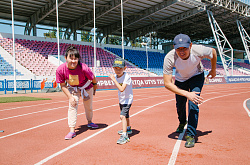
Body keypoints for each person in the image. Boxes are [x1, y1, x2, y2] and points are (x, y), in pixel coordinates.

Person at [163, 34, 217, 148]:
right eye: (178, 49)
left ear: (190, 46)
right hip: (180, 79)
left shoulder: (198, 50)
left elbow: (213, 52)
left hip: (196, 76)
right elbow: (167, 83)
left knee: (193, 104)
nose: (181, 52)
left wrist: (213, 69)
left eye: (184, 48)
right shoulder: (169, 57)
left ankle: (191, 135)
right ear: (174, 47)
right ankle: (182, 122)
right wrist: (186, 93)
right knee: (180, 104)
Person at [56, 46, 98, 140]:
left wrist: (95, 86)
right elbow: (63, 85)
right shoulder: (60, 70)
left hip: (86, 87)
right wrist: (70, 97)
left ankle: (90, 121)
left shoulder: (84, 68)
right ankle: (72, 130)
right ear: (66, 58)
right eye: (71, 58)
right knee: (72, 105)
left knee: (88, 106)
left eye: (75, 59)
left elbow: (93, 78)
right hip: (73, 88)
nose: (73, 61)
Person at [109, 58, 133, 145]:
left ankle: (124, 135)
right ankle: (128, 128)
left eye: (120, 68)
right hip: (122, 99)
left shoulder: (127, 77)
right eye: (116, 68)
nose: (118, 70)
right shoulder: (116, 76)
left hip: (128, 99)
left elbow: (122, 89)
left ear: (125, 68)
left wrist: (114, 80)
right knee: (126, 116)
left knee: (122, 116)